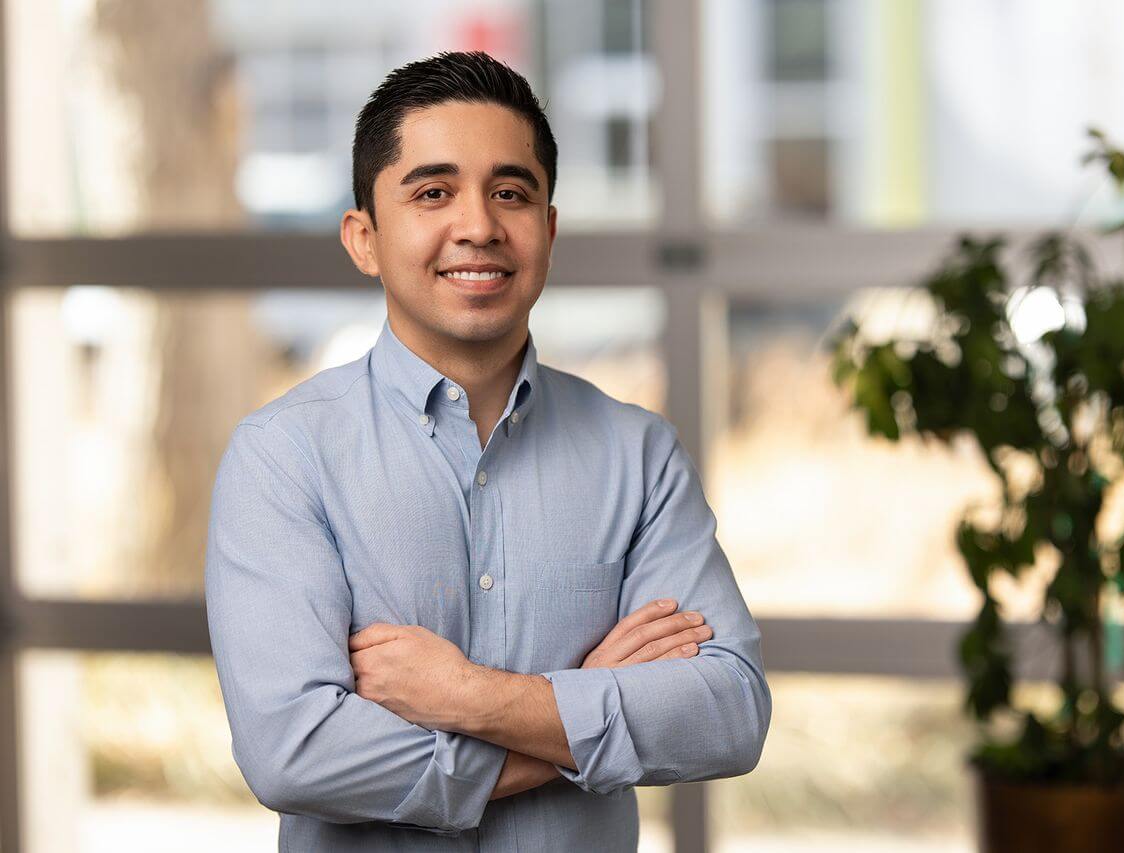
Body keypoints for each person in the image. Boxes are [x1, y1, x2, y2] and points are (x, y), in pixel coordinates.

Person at [205, 51, 771, 852]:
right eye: (433, 192)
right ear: (364, 238)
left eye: (511, 192)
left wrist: (467, 694)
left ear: (547, 229)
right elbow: (292, 752)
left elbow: (728, 710)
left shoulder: (637, 453)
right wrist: (581, 709)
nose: (478, 225)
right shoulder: (284, 456)